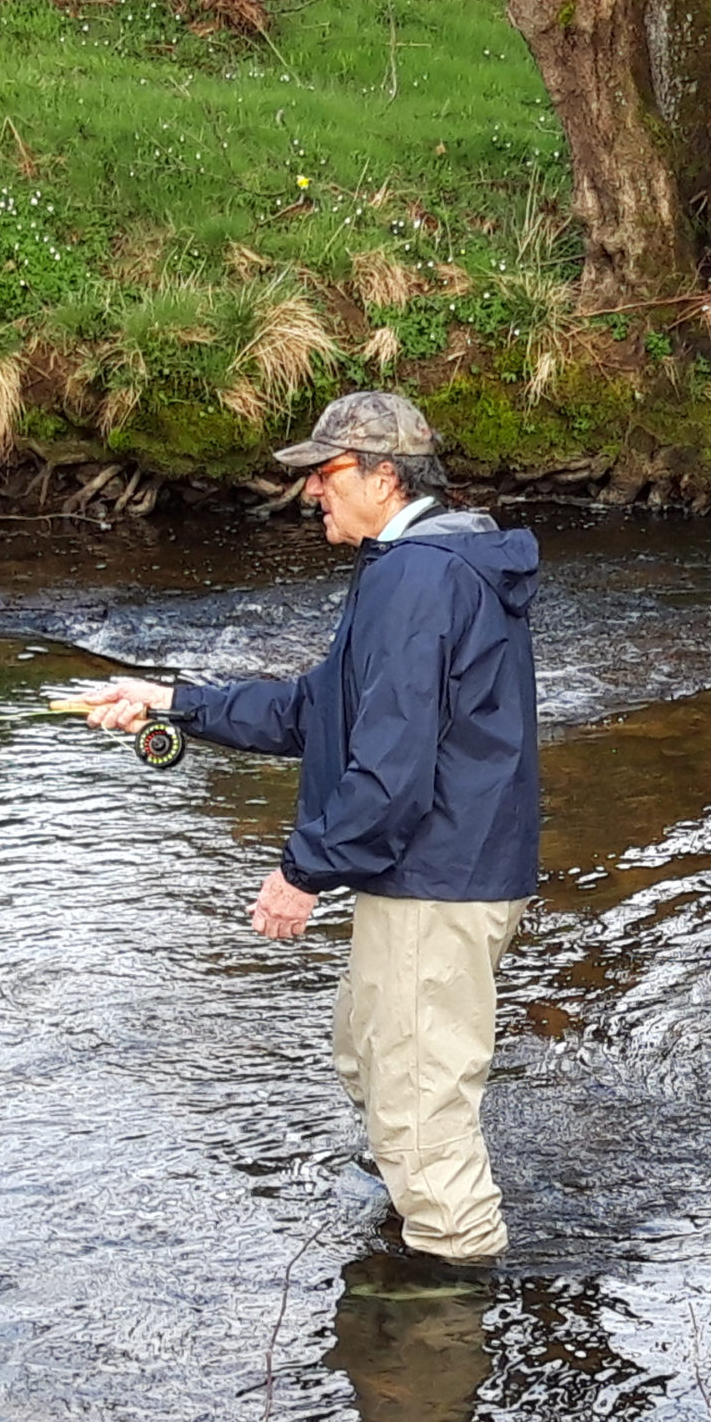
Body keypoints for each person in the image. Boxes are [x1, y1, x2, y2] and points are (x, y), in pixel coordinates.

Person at [83, 392, 541, 1261]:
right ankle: (408, 1240)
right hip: (450, 874)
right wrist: (173, 703)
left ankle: (439, 1338)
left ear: (383, 476)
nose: (310, 494)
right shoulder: (434, 561)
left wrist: (303, 870)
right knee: (370, 1060)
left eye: (325, 475)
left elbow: (392, 772)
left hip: (433, 882)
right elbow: (315, 711)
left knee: (418, 1118)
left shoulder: (417, 578)